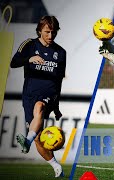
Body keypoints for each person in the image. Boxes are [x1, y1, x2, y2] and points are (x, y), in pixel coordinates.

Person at [11, 16, 66, 178]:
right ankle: (56, 167)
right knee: (38, 138)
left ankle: (26, 141)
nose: (50, 36)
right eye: (47, 32)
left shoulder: (61, 52)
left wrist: (56, 106)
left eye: (53, 33)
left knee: (40, 107)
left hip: (49, 93)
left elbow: (59, 80)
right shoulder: (29, 44)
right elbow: (13, 63)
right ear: (40, 31)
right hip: (29, 94)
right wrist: (29, 59)